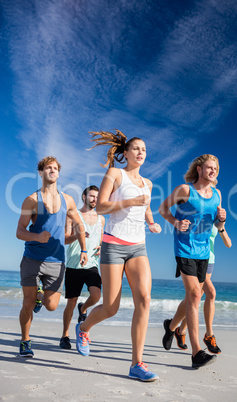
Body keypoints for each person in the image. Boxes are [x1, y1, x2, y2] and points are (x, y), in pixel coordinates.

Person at [75, 130, 162, 382]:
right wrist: (129, 201)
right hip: (113, 245)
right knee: (111, 307)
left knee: (144, 300)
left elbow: (144, 208)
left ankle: (137, 363)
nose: (141, 152)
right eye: (136, 148)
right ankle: (83, 328)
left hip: (138, 246)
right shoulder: (115, 174)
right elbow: (101, 206)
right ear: (125, 153)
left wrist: (153, 222)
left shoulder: (148, 184)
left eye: (144, 149)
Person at [159, 154, 226, 369]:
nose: (213, 171)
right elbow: (163, 209)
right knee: (196, 294)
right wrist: (175, 222)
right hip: (184, 248)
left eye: (215, 168)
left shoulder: (217, 194)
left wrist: (221, 220)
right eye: (209, 167)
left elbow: (214, 223)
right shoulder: (185, 190)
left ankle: (171, 327)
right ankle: (197, 351)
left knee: (192, 296)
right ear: (199, 169)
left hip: (204, 251)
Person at [16, 156, 88, 357]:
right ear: (41, 172)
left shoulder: (68, 200)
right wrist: (37, 236)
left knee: (51, 305)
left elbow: (79, 224)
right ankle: (25, 340)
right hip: (32, 259)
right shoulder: (32, 200)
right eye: (48, 168)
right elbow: (20, 231)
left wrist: (83, 248)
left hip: (56, 262)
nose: (52, 171)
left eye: (55, 168)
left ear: (59, 172)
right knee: (27, 304)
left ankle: (42, 295)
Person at [171, 224, 232, 354]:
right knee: (210, 293)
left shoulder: (217, 216)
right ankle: (209, 335)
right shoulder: (199, 210)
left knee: (193, 299)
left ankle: (178, 330)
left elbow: (228, 243)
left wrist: (221, 227)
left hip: (210, 262)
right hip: (195, 260)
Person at [60, 185, 105, 349]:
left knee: (96, 296)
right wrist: (78, 235)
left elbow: (100, 240)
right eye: (92, 196)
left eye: (97, 197)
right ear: (84, 197)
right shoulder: (74, 215)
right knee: (71, 301)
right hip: (74, 263)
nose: (95, 199)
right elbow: (65, 239)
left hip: (92, 264)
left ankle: (84, 308)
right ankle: (65, 335)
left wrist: (101, 247)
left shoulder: (101, 218)